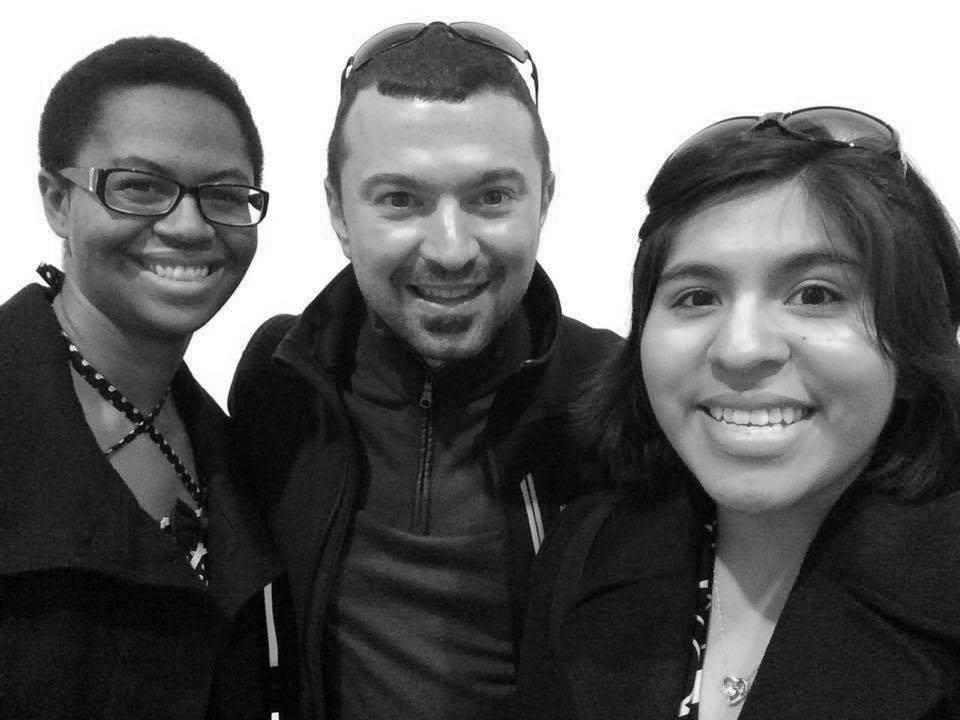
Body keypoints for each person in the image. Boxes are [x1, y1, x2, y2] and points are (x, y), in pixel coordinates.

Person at [229, 21, 622, 720]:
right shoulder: (280, 380)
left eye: (491, 197)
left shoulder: (616, 397)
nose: (450, 249)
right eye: (400, 200)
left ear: (544, 201)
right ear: (338, 212)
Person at [516, 107, 960, 719]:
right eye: (697, 296)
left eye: (815, 295)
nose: (741, 349)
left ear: (911, 345)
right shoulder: (585, 553)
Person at [0, 37, 280, 719]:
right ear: (57, 201)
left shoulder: (243, 455)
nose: (188, 226)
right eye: (139, 187)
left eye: (224, 195)